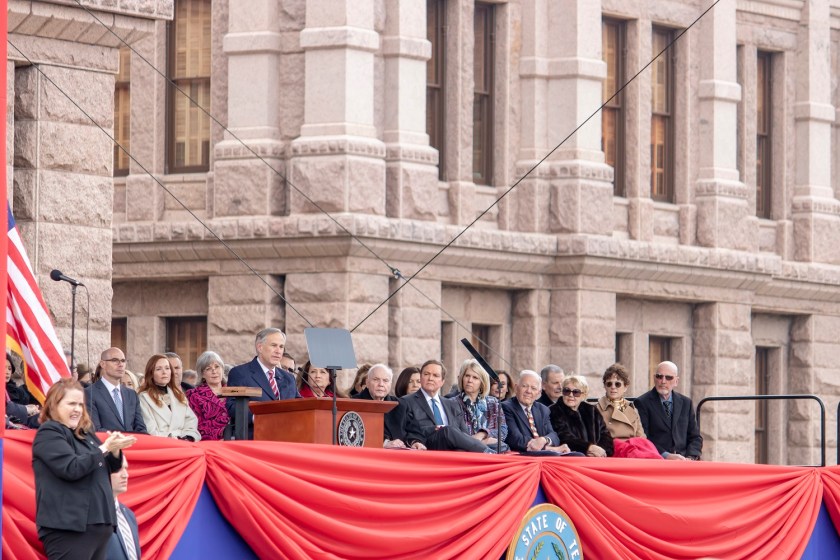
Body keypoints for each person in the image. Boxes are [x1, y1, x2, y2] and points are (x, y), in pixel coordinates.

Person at [32, 379, 136, 560]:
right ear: (54, 405)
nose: (78, 409)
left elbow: (111, 467)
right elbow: (71, 468)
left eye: (81, 404)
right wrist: (104, 448)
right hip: (70, 528)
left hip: (98, 524)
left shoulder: (85, 433)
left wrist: (115, 449)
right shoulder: (49, 432)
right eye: (71, 404)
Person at [400, 359, 494, 453]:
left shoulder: (451, 404)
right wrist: (436, 429)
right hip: (427, 446)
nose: (430, 378)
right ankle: (487, 452)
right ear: (420, 378)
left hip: (453, 450)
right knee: (448, 430)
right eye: (426, 374)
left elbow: (463, 434)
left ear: (442, 381)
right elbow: (404, 432)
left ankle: (489, 453)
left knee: (461, 446)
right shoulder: (406, 401)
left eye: (435, 375)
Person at [226, 328, 300, 438]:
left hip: (286, 439)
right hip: (254, 438)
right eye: (274, 345)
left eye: (281, 347)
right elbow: (232, 406)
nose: (278, 351)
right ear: (260, 347)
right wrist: (260, 417)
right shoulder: (240, 373)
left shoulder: (288, 378)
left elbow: (300, 405)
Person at [635, 361, 703, 461]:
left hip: (685, 461)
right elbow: (644, 439)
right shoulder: (642, 402)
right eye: (659, 376)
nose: (663, 381)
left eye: (668, 377)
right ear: (654, 378)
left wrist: (690, 457)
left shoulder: (686, 403)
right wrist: (666, 455)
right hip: (657, 461)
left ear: (676, 381)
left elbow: (695, 437)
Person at [502, 370, 570, 453]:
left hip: (543, 456)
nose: (529, 391)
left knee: (577, 455)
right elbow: (515, 439)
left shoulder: (543, 409)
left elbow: (554, 436)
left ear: (539, 393)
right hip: (521, 455)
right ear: (516, 388)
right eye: (524, 386)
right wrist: (551, 449)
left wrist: (544, 439)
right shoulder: (506, 407)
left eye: (533, 388)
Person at [448, 359, 508, 451]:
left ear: (482, 382)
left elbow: (503, 431)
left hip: (491, 450)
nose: (469, 380)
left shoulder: (493, 402)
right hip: (465, 451)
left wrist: (483, 434)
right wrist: (478, 443)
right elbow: (454, 435)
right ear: (462, 378)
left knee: (503, 446)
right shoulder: (451, 403)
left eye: (475, 377)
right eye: (467, 376)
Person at [137, 354, 201, 441]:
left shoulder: (179, 395)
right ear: (151, 373)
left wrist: (187, 437)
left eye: (167, 368)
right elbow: (151, 431)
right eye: (159, 369)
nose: (164, 372)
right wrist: (175, 437)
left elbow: (191, 423)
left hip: (185, 444)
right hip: (162, 447)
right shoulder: (144, 398)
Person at [85, 348, 148, 434]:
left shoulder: (131, 394)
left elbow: (140, 428)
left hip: (133, 445)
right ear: (103, 364)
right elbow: (95, 429)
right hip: (107, 445)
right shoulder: (89, 393)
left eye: (123, 361)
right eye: (115, 360)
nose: (120, 364)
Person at [549, 375, 613, 457]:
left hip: (597, 458)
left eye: (576, 392)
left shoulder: (591, 410)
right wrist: (588, 448)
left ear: (583, 395)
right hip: (571, 459)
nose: (571, 395)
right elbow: (563, 437)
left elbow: (605, 435)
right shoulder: (554, 411)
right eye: (567, 391)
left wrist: (600, 451)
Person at [351, 363, 406, 448]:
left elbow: (412, 429)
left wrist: (415, 441)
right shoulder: (354, 403)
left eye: (385, 380)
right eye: (376, 379)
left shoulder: (400, 405)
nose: (381, 384)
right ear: (367, 383)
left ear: (390, 384)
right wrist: (384, 443)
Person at [186, 351, 230, 441]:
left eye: (217, 367)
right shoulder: (193, 395)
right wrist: (221, 433)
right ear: (202, 374)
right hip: (210, 442)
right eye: (208, 369)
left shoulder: (235, 391)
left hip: (237, 438)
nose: (214, 371)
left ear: (222, 369)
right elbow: (196, 426)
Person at [596, 363, 645, 441]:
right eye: (609, 384)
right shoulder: (597, 409)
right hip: (612, 448)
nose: (613, 387)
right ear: (605, 386)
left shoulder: (631, 407)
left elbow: (641, 436)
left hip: (633, 447)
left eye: (617, 384)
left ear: (625, 387)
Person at [106, 456, 141, 560]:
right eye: (118, 470)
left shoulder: (129, 515)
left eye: (126, 468)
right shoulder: (89, 515)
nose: (125, 475)